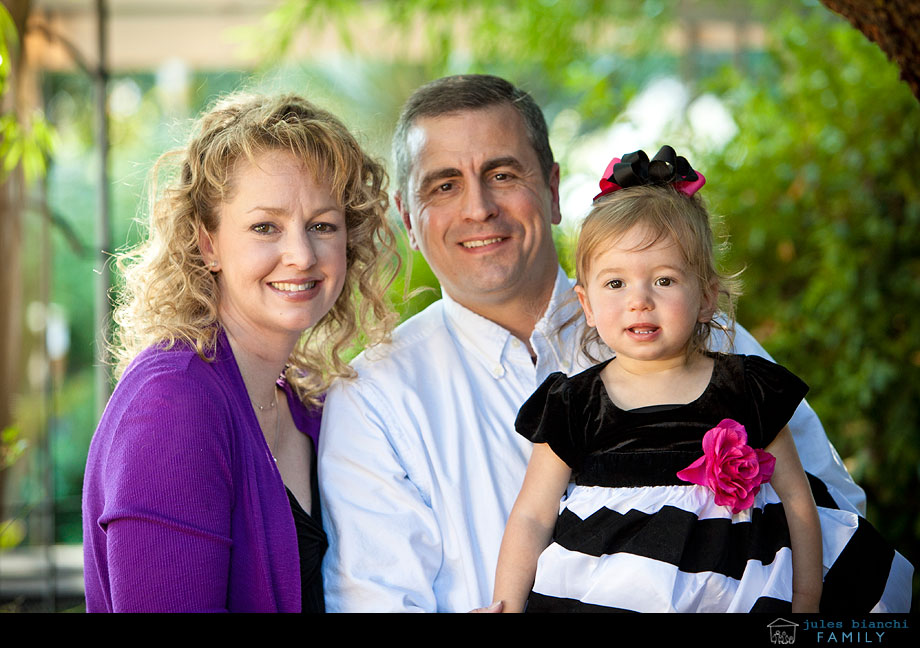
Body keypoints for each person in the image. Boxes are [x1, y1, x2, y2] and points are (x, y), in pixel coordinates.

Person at [318, 74, 867, 613]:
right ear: (408, 219)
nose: (478, 207)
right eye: (444, 185)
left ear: (553, 190)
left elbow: (837, 519)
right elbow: (376, 601)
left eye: (502, 173)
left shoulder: (701, 340)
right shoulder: (374, 399)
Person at [491, 147, 912, 613]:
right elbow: (532, 516)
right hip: (609, 594)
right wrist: (505, 606)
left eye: (665, 280)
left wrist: (805, 604)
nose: (640, 301)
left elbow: (798, 503)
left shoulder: (744, 387)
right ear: (586, 304)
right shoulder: (574, 403)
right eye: (616, 284)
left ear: (707, 297)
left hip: (738, 591)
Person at [81, 93, 398, 612]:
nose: (300, 255)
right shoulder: (171, 405)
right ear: (208, 244)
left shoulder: (305, 403)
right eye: (265, 227)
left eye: (322, 225)